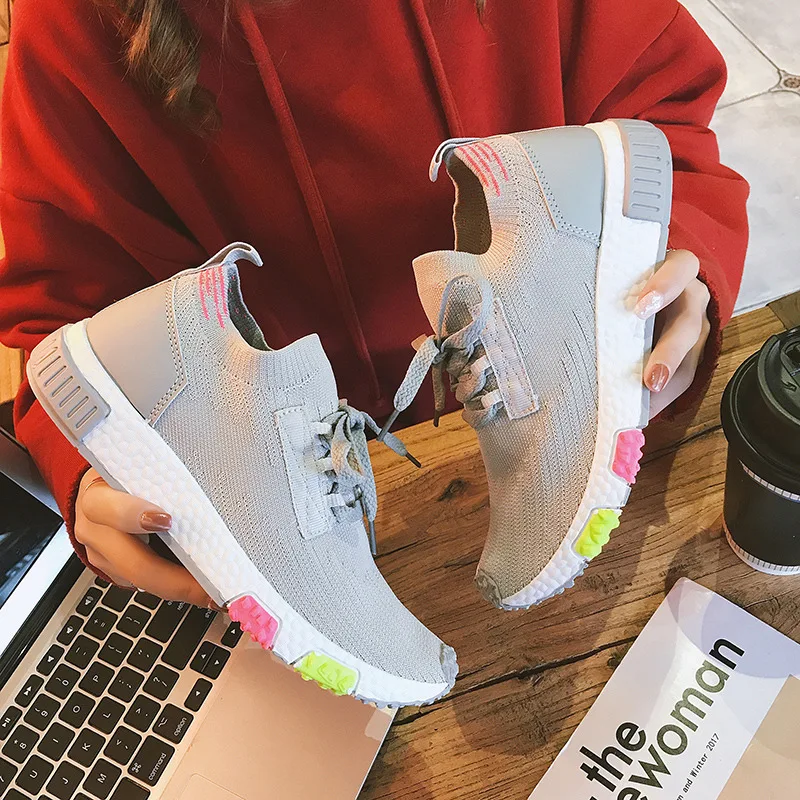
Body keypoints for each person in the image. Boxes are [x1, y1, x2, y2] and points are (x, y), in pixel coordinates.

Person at [0, 0, 748, 608]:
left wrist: (676, 255)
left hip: (570, 397)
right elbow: (66, 321)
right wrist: (94, 463)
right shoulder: (74, 21)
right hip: (286, 495)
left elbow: (657, 114)